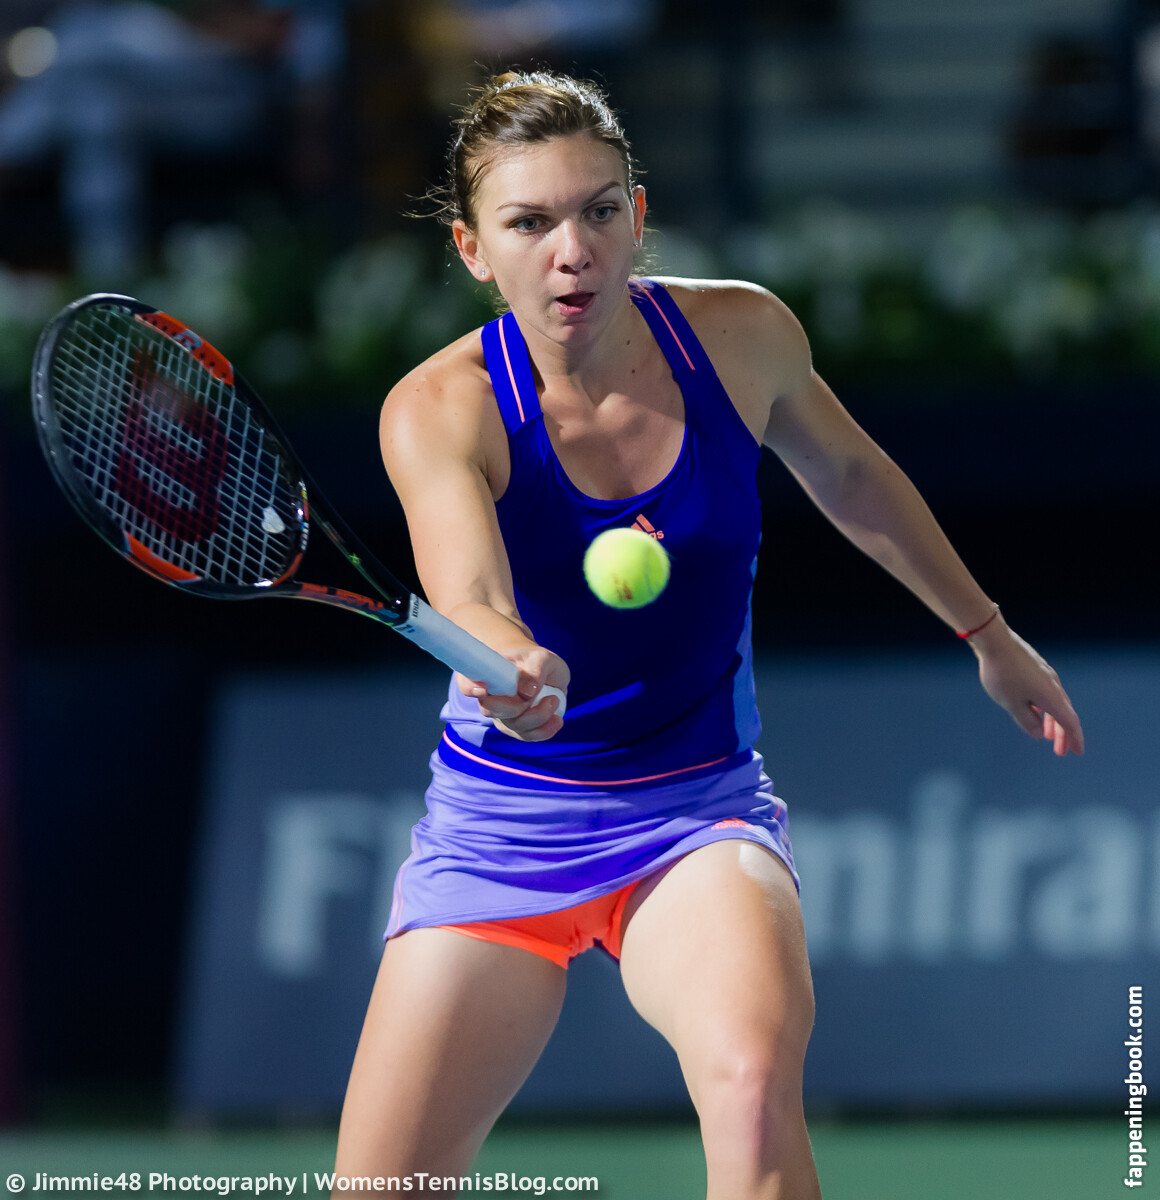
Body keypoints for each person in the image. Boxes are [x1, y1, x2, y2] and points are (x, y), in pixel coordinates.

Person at [332, 71, 1084, 1200]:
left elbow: (852, 476)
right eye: (529, 224)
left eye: (598, 210)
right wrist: (507, 656)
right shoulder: (441, 409)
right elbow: (469, 589)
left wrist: (988, 632)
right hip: (499, 837)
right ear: (472, 250)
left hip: (695, 814)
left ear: (638, 215)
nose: (573, 251)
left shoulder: (741, 336)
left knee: (751, 1086)